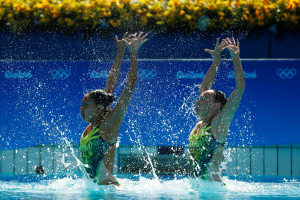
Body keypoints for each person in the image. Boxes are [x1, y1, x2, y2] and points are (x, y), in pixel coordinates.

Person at [80, 32, 148, 185]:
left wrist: (133, 53)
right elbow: (111, 82)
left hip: (107, 191)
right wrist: (120, 51)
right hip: (95, 190)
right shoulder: (94, 125)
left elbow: (130, 87)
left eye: (86, 105)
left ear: (98, 107)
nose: (81, 109)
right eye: (81, 105)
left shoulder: (109, 125)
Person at [188, 38, 245, 182]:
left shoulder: (219, 122)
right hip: (198, 186)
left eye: (204, 100)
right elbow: (205, 86)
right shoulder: (202, 123)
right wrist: (216, 61)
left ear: (216, 105)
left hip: (213, 189)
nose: (197, 101)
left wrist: (236, 59)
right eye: (200, 98)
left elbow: (239, 89)